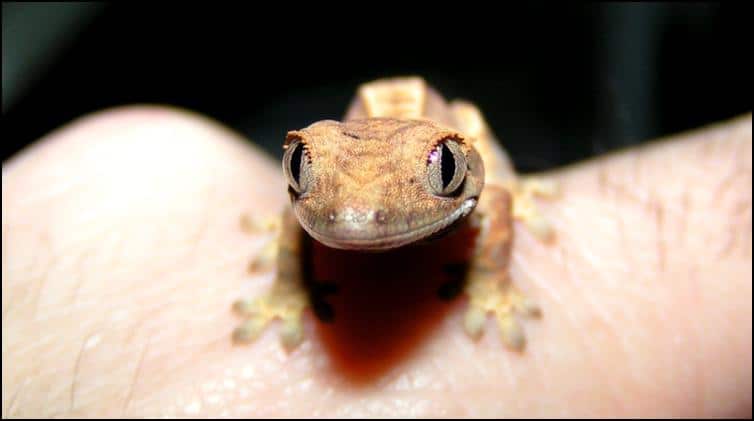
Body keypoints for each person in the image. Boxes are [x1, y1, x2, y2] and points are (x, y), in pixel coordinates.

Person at [2, 106, 751, 417]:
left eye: (446, 176)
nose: (357, 216)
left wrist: (491, 282)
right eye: (299, 172)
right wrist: (285, 285)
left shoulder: (471, 179)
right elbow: (304, 222)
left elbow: (490, 208)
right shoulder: (321, 204)